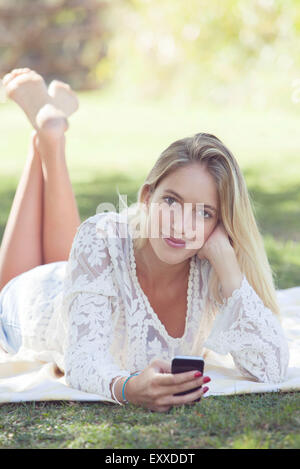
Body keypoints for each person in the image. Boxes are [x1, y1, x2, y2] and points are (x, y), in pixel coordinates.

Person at [0, 68, 289, 413]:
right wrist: (128, 387)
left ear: (221, 224)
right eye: (171, 201)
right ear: (147, 196)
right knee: (53, 263)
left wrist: (228, 266)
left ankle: (47, 132)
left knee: (73, 259)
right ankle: (48, 137)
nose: (181, 226)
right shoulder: (103, 238)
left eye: (204, 213)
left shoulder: (211, 266)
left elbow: (272, 367)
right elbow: (82, 360)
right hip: (29, 306)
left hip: (77, 278)